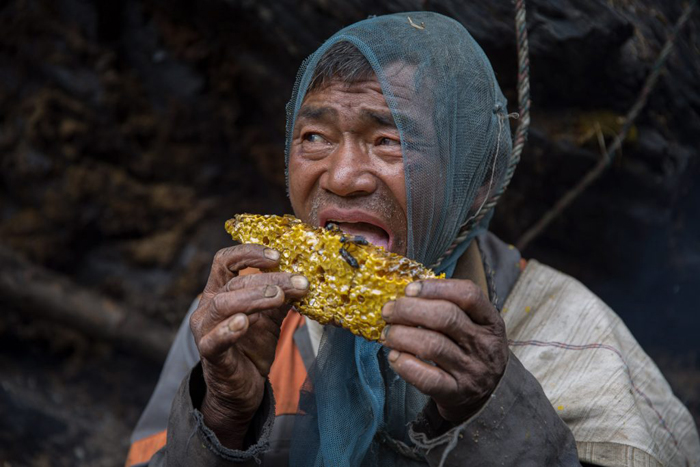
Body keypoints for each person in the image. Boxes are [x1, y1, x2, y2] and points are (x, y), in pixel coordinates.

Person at [125, 12, 700, 467]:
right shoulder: (241, 320)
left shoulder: (573, 339)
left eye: (389, 140)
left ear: (474, 182)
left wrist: (489, 410)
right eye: (315, 137)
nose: (342, 177)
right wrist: (223, 414)